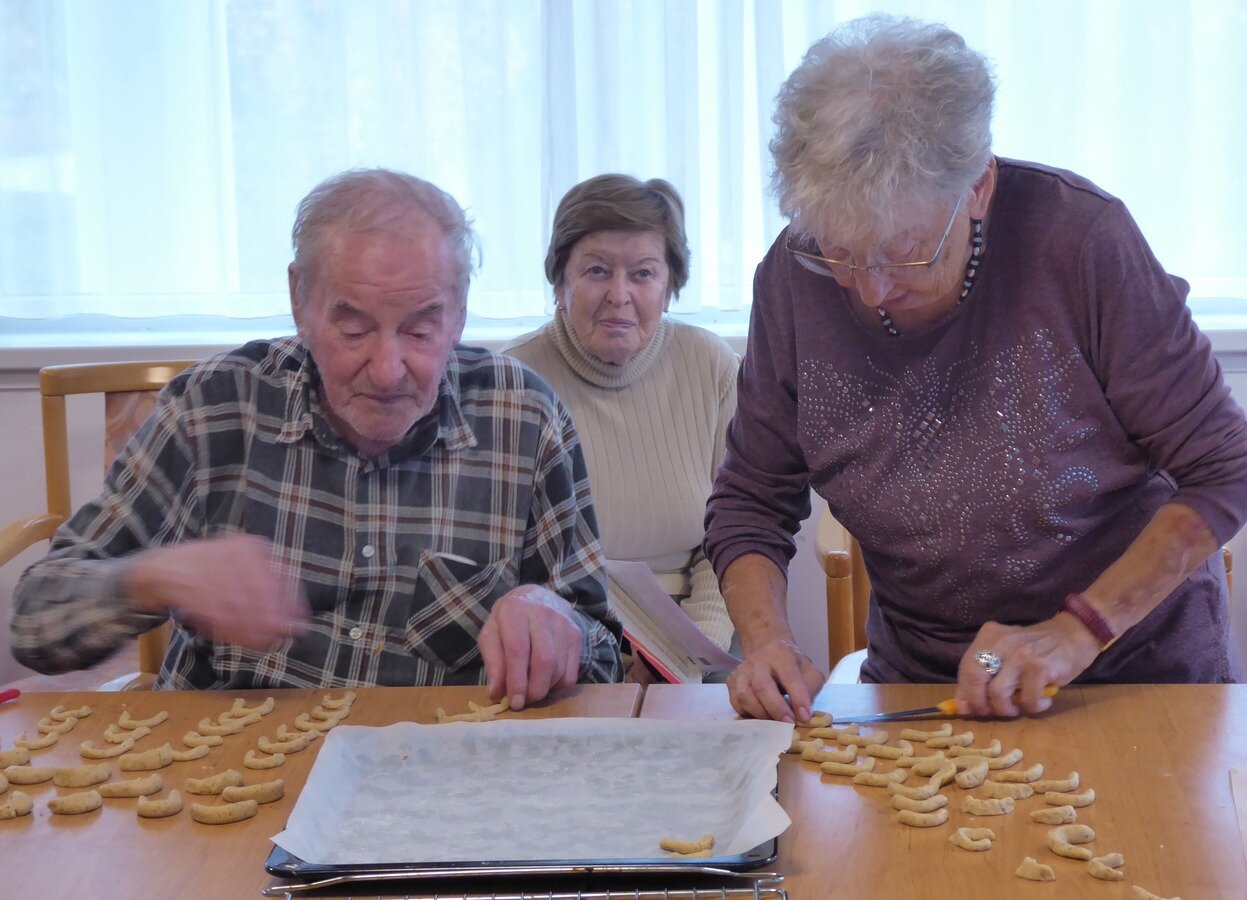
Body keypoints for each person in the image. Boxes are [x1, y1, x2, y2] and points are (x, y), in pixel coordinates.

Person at [704, 14, 1247, 723]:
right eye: (838, 252)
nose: (868, 288)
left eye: (904, 251)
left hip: (1129, 679)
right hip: (922, 693)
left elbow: (1223, 469)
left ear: (978, 189)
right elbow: (750, 499)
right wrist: (766, 641)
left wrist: (1073, 632)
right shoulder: (789, 279)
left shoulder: (1079, 243)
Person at [10, 168, 623, 705]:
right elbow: (35, 622)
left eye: (419, 330)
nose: (386, 370)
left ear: (459, 312)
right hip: (228, 770)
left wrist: (556, 618)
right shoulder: (214, 407)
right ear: (301, 300)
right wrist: (152, 575)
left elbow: (605, 653)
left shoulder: (524, 418)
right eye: (353, 329)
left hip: (432, 775)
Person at [506, 174, 739, 683]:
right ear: (560, 281)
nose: (619, 294)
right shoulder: (511, 382)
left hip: (698, 629)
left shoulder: (713, 367)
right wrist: (593, 653)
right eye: (596, 270)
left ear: (670, 285)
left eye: (643, 273)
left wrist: (687, 660)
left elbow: (735, 536)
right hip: (560, 640)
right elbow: (502, 569)